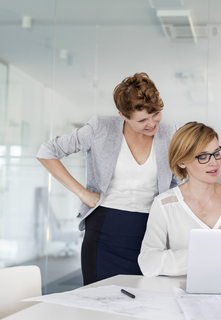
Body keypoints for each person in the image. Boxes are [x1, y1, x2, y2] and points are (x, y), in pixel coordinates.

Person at [36, 72, 181, 285]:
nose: (152, 123)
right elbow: (46, 151)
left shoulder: (170, 132)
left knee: (146, 303)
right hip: (105, 229)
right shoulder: (100, 128)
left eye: (156, 114)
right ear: (123, 115)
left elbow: (179, 179)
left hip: (151, 230)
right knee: (99, 303)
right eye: (142, 120)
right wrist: (82, 193)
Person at [138, 122, 221, 277]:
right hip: (180, 295)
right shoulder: (165, 205)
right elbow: (148, 263)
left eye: (217, 153)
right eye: (203, 156)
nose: (214, 162)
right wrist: (209, 247)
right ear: (181, 162)